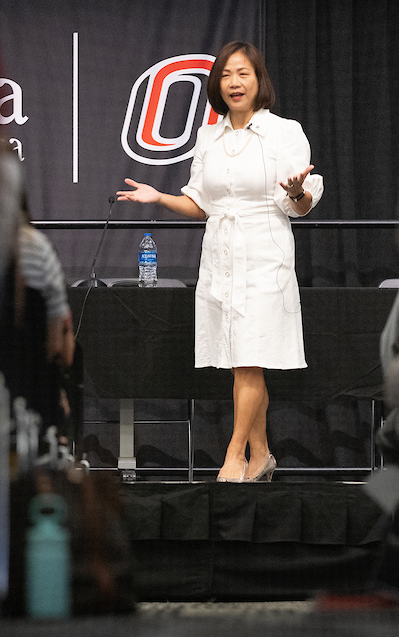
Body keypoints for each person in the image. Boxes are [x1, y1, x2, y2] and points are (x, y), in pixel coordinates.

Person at [116, 41, 322, 483]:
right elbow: (201, 203)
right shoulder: (209, 136)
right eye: (226, 74)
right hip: (220, 255)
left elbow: (302, 204)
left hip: (265, 255)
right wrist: (160, 197)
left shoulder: (285, 132)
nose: (234, 82)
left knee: (249, 357)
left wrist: (296, 193)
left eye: (243, 73)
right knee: (243, 358)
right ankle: (262, 454)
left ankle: (234, 454)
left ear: (258, 80)